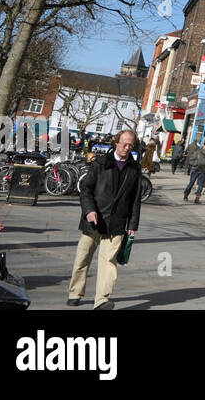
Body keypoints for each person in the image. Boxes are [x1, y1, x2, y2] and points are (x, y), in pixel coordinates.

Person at [67, 129, 142, 310]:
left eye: (130, 145)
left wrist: (132, 224)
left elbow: (135, 199)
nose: (127, 147)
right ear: (116, 143)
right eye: (124, 143)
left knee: (109, 263)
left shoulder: (135, 168)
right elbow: (86, 190)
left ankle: (102, 300)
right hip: (94, 219)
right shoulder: (100, 163)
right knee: (82, 258)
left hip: (117, 222)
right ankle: (75, 293)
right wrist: (89, 210)